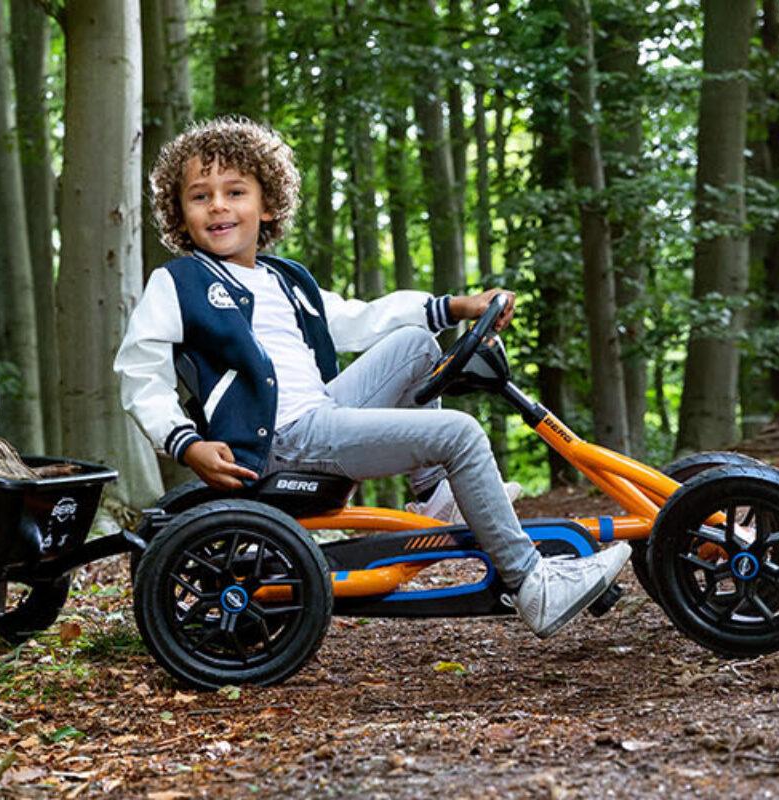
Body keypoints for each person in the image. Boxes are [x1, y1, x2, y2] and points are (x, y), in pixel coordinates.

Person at [114, 117, 629, 638]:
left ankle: (432, 496)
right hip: (278, 442)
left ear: (267, 205)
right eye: (200, 196)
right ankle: (532, 584)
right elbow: (140, 372)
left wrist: (457, 306)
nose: (218, 205)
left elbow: (359, 318)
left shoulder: (285, 279)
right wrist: (185, 444)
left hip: (322, 416)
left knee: (414, 346)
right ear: (180, 214)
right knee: (459, 433)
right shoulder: (179, 283)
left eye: (235, 191)